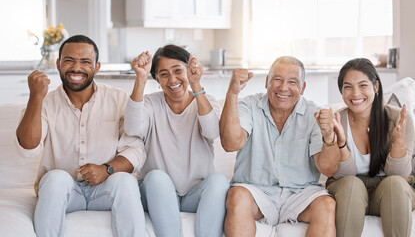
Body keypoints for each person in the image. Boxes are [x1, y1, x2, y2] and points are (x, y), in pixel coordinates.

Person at [15, 35, 146, 237]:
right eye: (69, 60)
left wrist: (106, 169)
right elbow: (27, 148)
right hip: (64, 191)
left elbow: (136, 150)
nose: (76, 68)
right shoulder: (45, 102)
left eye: (85, 62)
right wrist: (35, 97)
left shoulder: (118, 99)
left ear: (97, 66)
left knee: (126, 182)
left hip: (105, 189)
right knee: (55, 178)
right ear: (58, 64)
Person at [220, 56, 338, 237]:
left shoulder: (313, 112)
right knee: (237, 196)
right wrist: (232, 93)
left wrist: (329, 136)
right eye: (277, 79)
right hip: (256, 192)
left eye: (292, 82)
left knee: (326, 204)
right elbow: (230, 144)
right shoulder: (249, 105)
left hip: (300, 194)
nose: (283, 87)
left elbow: (328, 169)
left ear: (303, 88)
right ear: (267, 81)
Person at [124, 45, 229, 237]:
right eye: (164, 74)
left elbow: (213, 132)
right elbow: (131, 128)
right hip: (157, 193)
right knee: (157, 178)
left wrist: (196, 86)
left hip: (194, 194)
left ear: (189, 71)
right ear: (156, 79)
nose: (172, 80)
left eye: (178, 71)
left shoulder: (207, 101)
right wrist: (140, 78)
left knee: (220, 181)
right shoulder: (149, 103)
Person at [323, 58, 415, 237]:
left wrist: (398, 143)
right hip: (350, 193)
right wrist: (341, 142)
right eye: (347, 86)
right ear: (341, 91)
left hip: (388, 192)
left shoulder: (399, 119)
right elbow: (343, 175)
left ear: (376, 87)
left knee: (395, 184)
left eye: (363, 85)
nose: (355, 93)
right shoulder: (336, 121)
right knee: (351, 185)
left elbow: (400, 175)